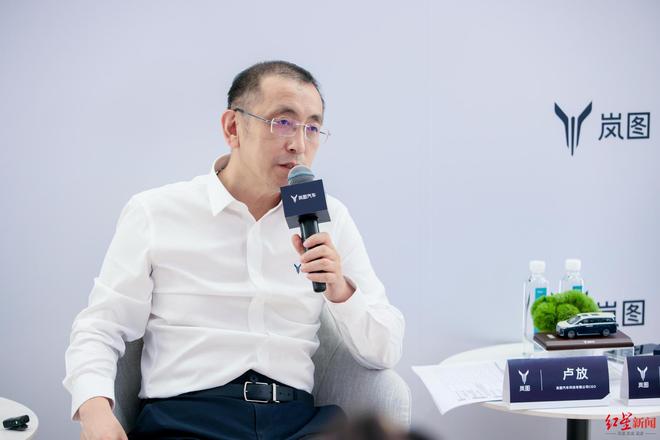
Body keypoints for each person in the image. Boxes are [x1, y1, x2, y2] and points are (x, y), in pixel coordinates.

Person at [63, 60, 405, 440]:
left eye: (312, 127)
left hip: (297, 422)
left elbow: (385, 350)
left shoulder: (331, 218)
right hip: (187, 420)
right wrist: (95, 411)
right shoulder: (156, 211)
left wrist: (340, 289)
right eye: (283, 122)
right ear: (232, 127)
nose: (299, 144)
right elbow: (101, 326)